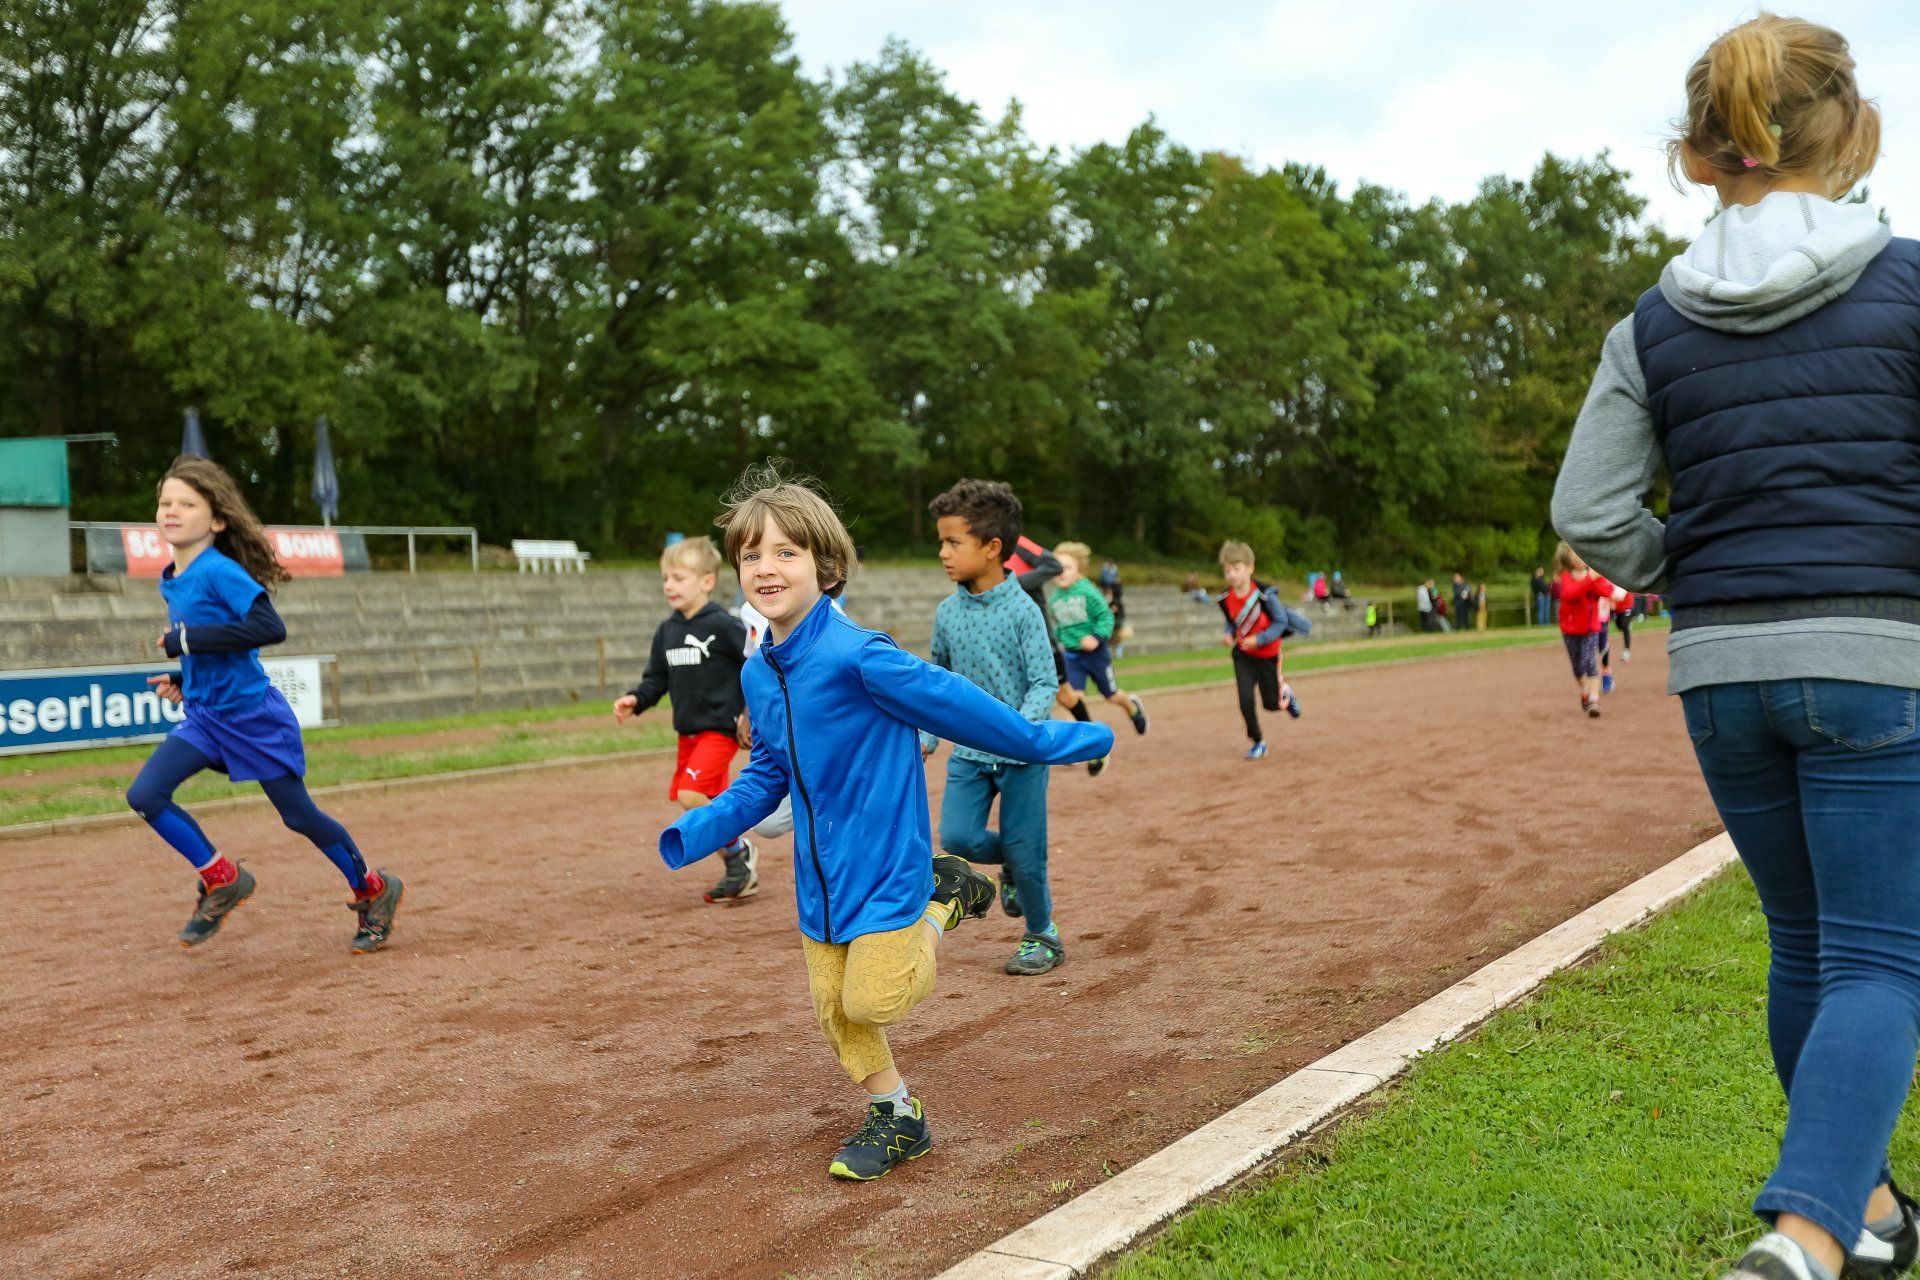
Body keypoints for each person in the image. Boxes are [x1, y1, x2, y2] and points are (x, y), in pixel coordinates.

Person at [1551, 16, 1920, 1279]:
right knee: (1878, 958)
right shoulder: (1907, 282)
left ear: (1704, 152)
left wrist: (1688, 574)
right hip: (1875, 654)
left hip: (1721, 670)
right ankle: (1804, 1238)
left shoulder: (1654, 321)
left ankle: (1872, 1214)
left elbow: (1589, 508)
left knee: (1805, 942)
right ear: (1848, 129)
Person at [660, 467, 1111, 1182]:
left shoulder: (860, 654)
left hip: (889, 863)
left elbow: (958, 705)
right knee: (836, 1013)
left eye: (785, 552)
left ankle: (945, 898)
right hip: (820, 881)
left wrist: (1045, 740)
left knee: (876, 997)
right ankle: (899, 1117)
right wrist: (704, 826)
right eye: (751, 555)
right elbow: (768, 773)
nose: (765, 568)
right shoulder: (757, 674)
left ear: (825, 565)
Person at [125, 457, 402, 953]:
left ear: (217, 520)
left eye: (187, 503)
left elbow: (269, 628)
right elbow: (224, 647)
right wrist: (185, 677)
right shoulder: (173, 575)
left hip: (254, 719)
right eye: (165, 502)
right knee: (146, 794)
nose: (171, 511)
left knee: (299, 816)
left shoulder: (218, 571)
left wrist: (185, 641)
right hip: (205, 717)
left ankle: (373, 890)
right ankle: (223, 878)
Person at [924, 480, 1066, 976]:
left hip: (1022, 753)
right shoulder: (947, 613)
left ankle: (1042, 933)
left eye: (953, 542)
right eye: (941, 542)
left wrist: (1022, 730)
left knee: (1028, 855)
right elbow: (937, 681)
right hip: (970, 752)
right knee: (958, 837)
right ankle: (1015, 862)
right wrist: (928, 736)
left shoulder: (1023, 610)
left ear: (992, 548)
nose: (943, 553)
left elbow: (1044, 680)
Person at [615, 536, 756, 904]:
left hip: (719, 730)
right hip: (688, 735)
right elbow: (655, 680)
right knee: (708, 801)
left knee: (689, 794)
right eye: (665, 578)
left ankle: (739, 851)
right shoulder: (667, 631)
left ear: (707, 581)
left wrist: (748, 713)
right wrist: (636, 698)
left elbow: (754, 667)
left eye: (678, 578)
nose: (669, 585)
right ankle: (739, 872)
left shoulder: (724, 626)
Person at [1048, 541, 1149, 741]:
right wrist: (1060, 637)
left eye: (1067, 568)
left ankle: (1132, 706)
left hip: (1096, 655)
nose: (1062, 572)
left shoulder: (1088, 592)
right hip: (1072, 656)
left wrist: (1096, 637)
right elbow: (1059, 625)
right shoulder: (1054, 599)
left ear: (1080, 569)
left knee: (1111, 696)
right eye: (1058, 568)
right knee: (1074, 700)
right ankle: (1074, 743)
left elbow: (1106, 616)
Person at [1216, 540, 1302, 760]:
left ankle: (1285, 694)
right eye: (1227, 571)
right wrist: (1228, 634)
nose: (1232, 575)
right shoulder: (1226, 598)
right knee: (1245, 700)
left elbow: (1281, 622)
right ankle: (1258, 742)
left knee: (1271, 704)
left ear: (1250, 568)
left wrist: (1260, 639)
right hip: (1244, 656)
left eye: (1237, 569)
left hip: (1268, 655)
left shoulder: (1265, 595)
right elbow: (1232, 622)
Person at [1553, 542, 1623, 718]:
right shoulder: (1566, 576)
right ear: (1567, 557)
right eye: (1574, 554)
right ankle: (1584, 690)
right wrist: (1590, 579)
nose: (1579, 557)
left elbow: (1605, 591)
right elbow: (1571, 594)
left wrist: (1600, 580)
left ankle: (1594, 700)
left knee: (1590, 662)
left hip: (1590, 628)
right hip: (1570, 630)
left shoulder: (1591, 575)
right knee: (1578, 667)